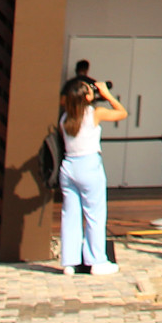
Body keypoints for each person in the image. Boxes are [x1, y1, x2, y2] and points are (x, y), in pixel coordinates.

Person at [56, 78, 127, 275]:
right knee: (95, 214)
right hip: (89, 165)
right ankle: (97, 260)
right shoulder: (95, 113)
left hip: (69, 166)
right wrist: (106, 95)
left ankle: (69, 262)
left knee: (70, 215)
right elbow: (122, 113)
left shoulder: (65, 118)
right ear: (87, 96)